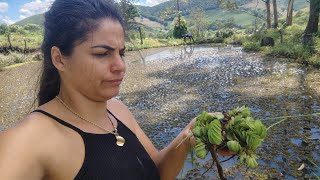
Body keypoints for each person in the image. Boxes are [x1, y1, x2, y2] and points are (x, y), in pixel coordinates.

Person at [0, 0, 195, 179]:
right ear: (59, 59)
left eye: (121, 53)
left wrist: (187, 138)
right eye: (102, 53)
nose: (120, 66)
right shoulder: (30, 139)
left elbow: (157, 173)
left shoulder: (118, 110)